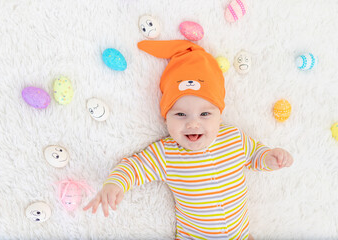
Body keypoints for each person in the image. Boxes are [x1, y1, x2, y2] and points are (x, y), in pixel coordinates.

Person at [84, 40, 294, 240]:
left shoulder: (234, 138)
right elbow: (134, 166)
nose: (193, 124)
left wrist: (270, 157)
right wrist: (114, 184)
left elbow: (255, 156)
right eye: (181, 115)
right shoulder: (166, 153)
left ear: (219, 115)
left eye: (205, 114)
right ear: (166, 117)